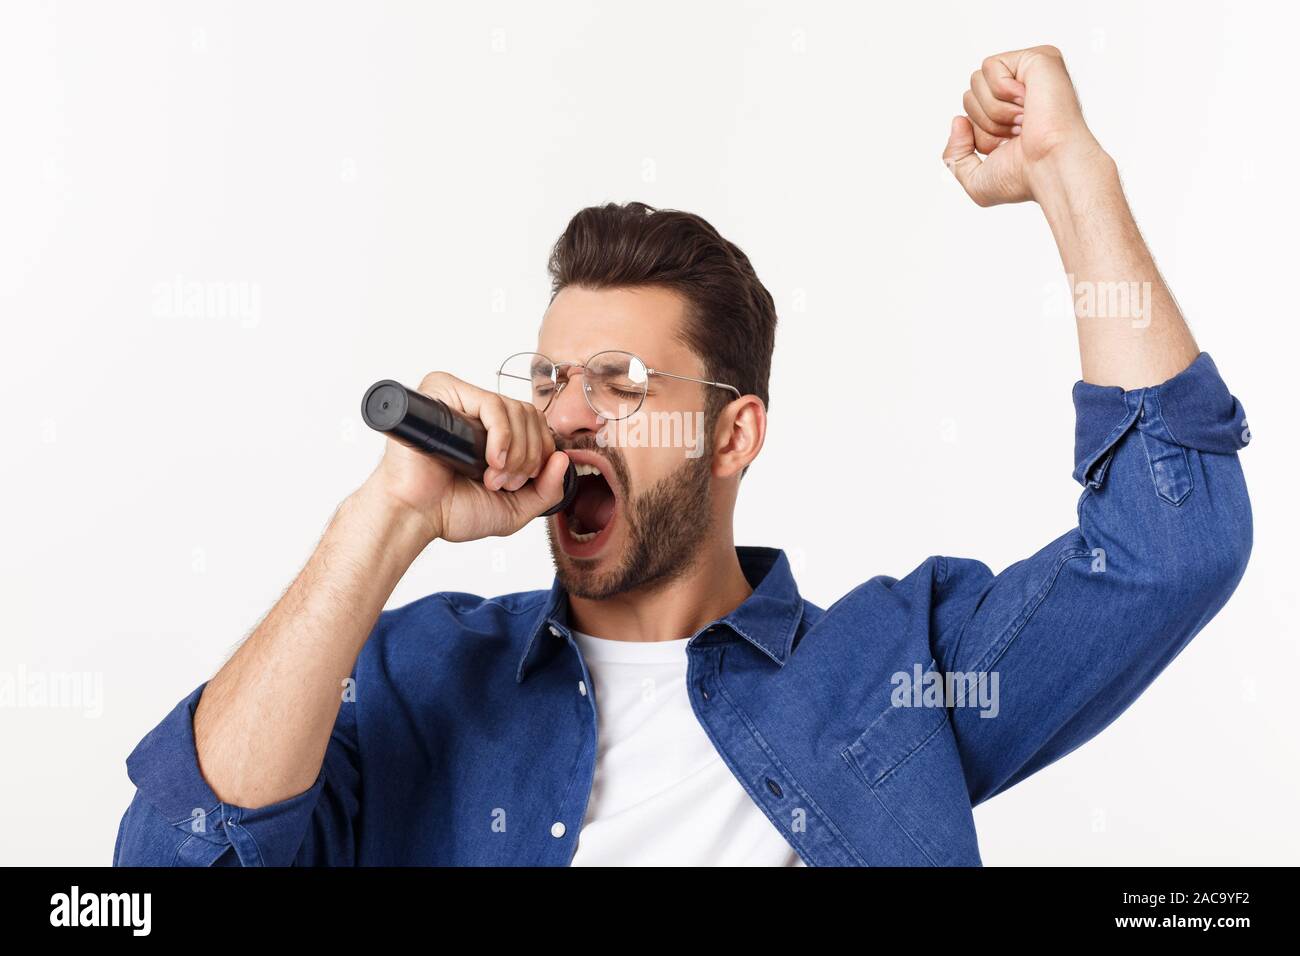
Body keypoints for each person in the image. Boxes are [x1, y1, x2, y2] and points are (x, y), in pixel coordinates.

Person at [113, 45, 1252, 866]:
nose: (569, 413)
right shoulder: (419, 681)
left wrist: (1069, 175)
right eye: (552, 378)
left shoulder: (897, 672)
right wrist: (389, 513)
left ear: (733, 433)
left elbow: (1174, 543)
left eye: (621, 381)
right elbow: (169, 861)